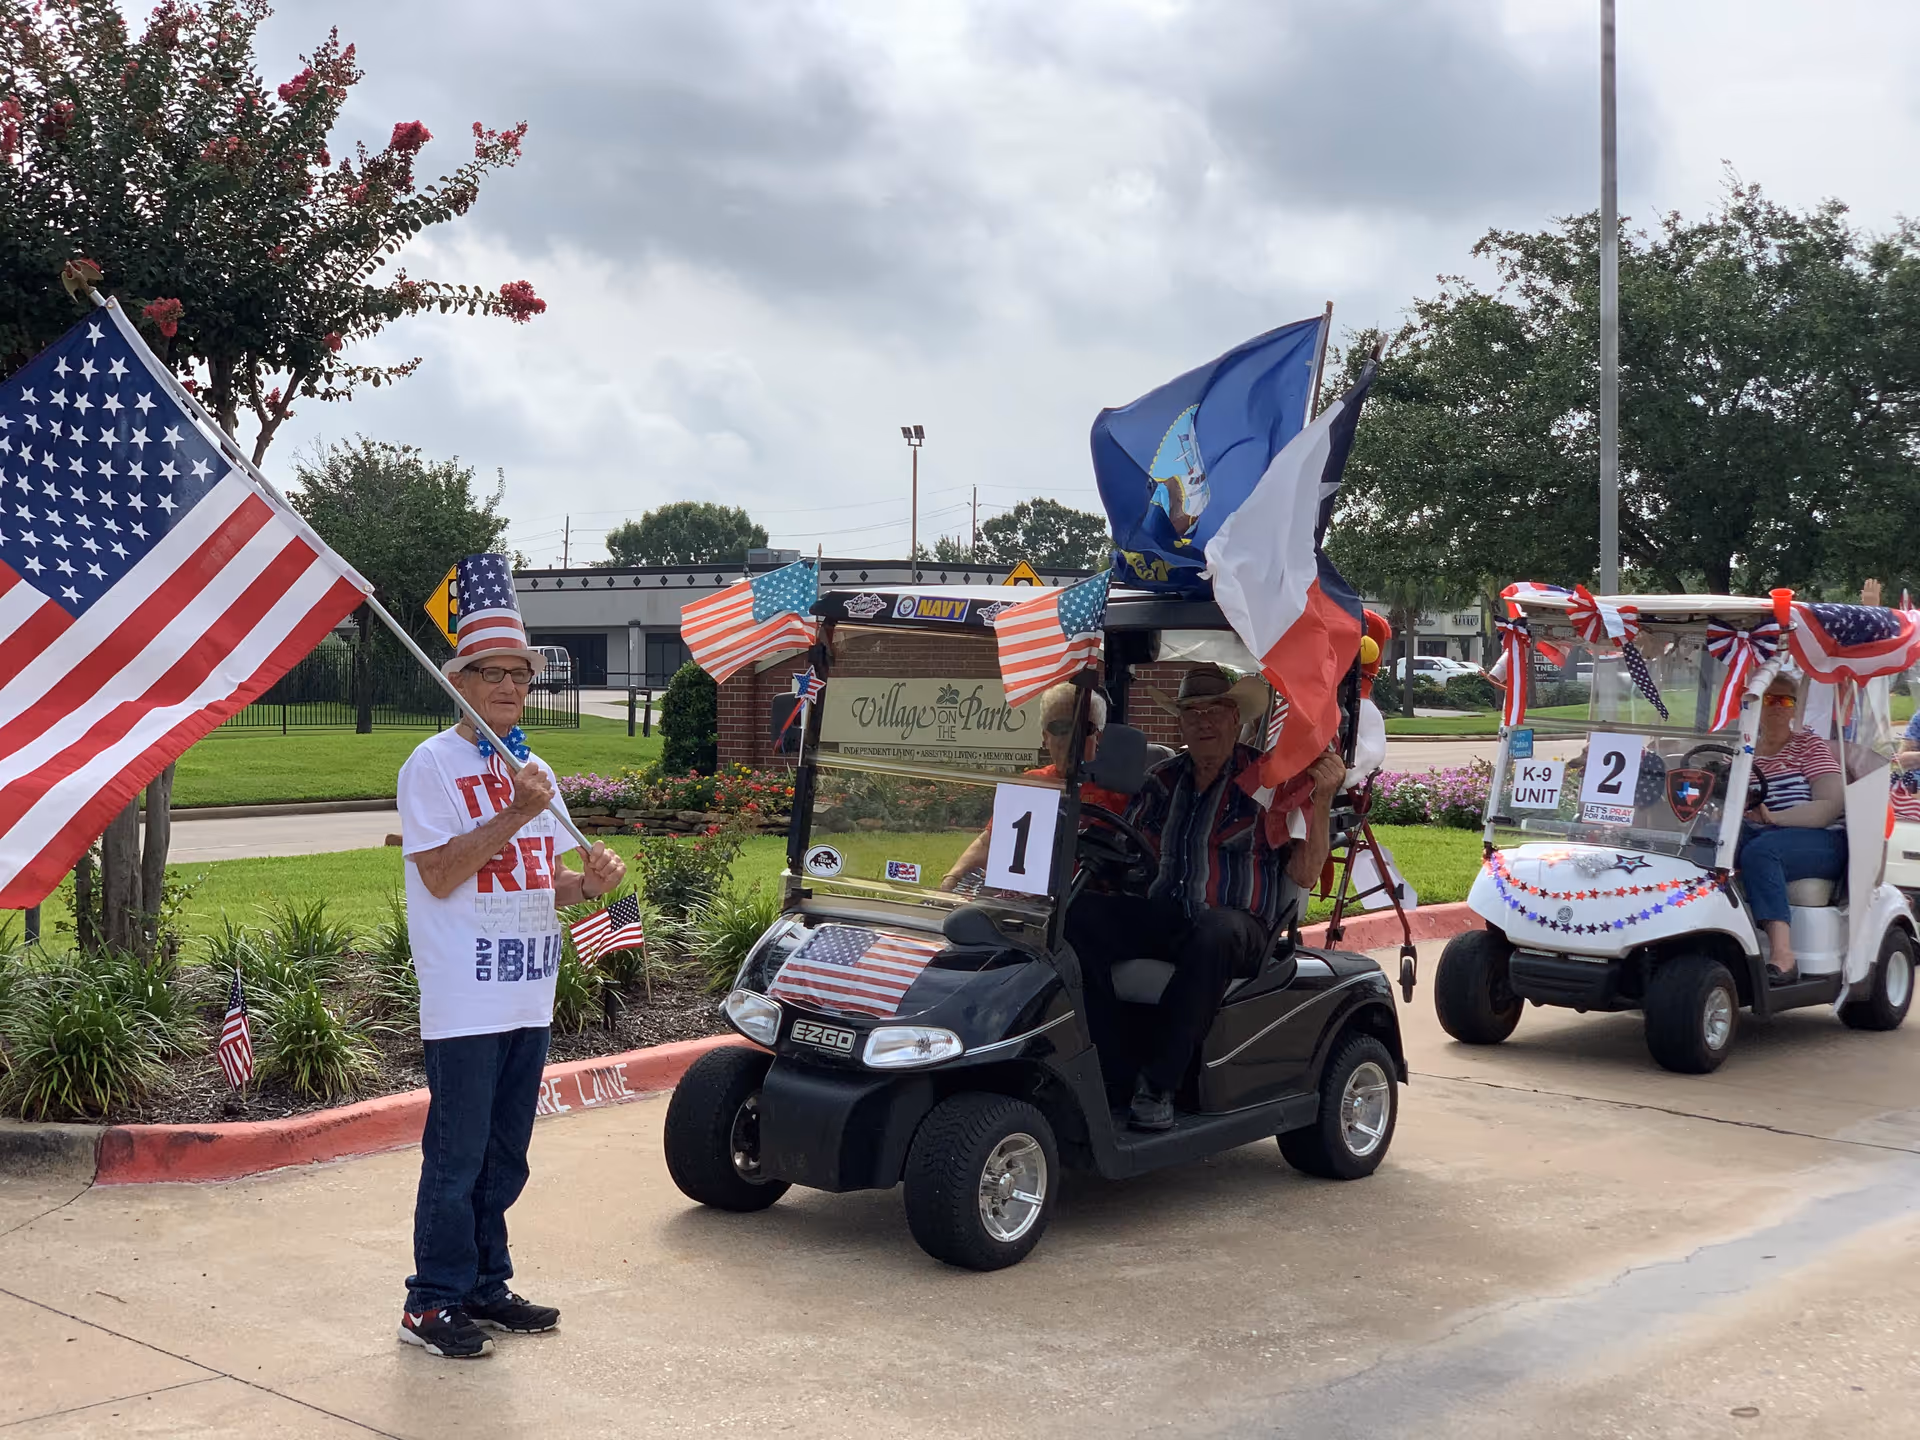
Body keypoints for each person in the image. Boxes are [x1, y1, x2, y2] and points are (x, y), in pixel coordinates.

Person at [396, 554, 627, 1360]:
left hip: (528, 991)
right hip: (466, 997)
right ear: (459, 680)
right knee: (455, 1157)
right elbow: (441, 871)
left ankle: (485, 1285)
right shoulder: (431, 766)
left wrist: (589, 882)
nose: (507, 688)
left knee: (505, 1155)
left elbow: (543, 880)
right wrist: (511, 812)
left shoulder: (535, 771)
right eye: (491, 673)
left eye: (519, 677)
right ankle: (431, 1301)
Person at [1066, 664, 1344, 1130]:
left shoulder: (1266, 782)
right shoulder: (1162, 779)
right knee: (1078, 919)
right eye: (1192, 712)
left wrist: (1321, 802)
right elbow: (1127, 846)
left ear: (1237, 720)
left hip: (1241, 926)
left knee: (1213, 933)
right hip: (1167, 916)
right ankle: (1109, 1065)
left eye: (1216, 711)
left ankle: (1158, 1084)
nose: (1204, 722)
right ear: (1180, 722)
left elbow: (1304, 871)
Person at [939, 682, 1129, 892]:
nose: (1072, 739)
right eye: (1060, 728)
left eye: (1084, 728)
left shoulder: (1120, 791)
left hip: (1091, 903)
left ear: (1098, 736)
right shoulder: (1029, 784)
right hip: (1028, 904)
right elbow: (989, 842)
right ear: (1045, 737)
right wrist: (951, 879)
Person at [1737, 674, 1845, 985]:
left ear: (1796, 708)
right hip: (1762, 832)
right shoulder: (1745, 750)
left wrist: (1775, 818)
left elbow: (1829, 806)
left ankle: (1783, 956)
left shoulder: (1808, 745)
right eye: (1768, 699)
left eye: (1785, 701)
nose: (1777, 707)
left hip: (1821, 840)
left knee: (1761, 851)